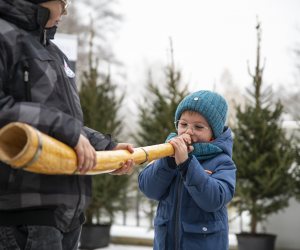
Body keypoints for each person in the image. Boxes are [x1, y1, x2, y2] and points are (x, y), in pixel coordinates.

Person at [0, 0, 135, 249]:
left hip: (68, 216)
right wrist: (64, 128)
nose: (66, 10)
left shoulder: (54, 52)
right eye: (63, 2)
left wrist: (106, 146)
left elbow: (66, 123)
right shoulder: (4, 36)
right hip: (25, 214)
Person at [138, 90, 236, 250]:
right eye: (183, 124)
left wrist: (186, 164)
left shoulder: (222, 161)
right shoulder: (167, 153)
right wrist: (168, 161)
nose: (188, 132)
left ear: (214, 133)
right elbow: (149, 189)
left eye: (198, 127)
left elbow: (214, 200)